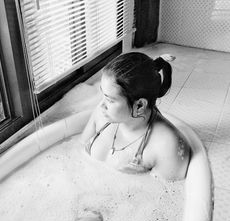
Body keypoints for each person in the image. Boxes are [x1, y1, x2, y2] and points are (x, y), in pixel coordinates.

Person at [80, 52, 190, 181]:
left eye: (110, 100)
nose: (101, 105)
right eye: (103, 94)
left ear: (139, 106)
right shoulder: (102, 114)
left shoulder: (168, 146)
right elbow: (78, 152)